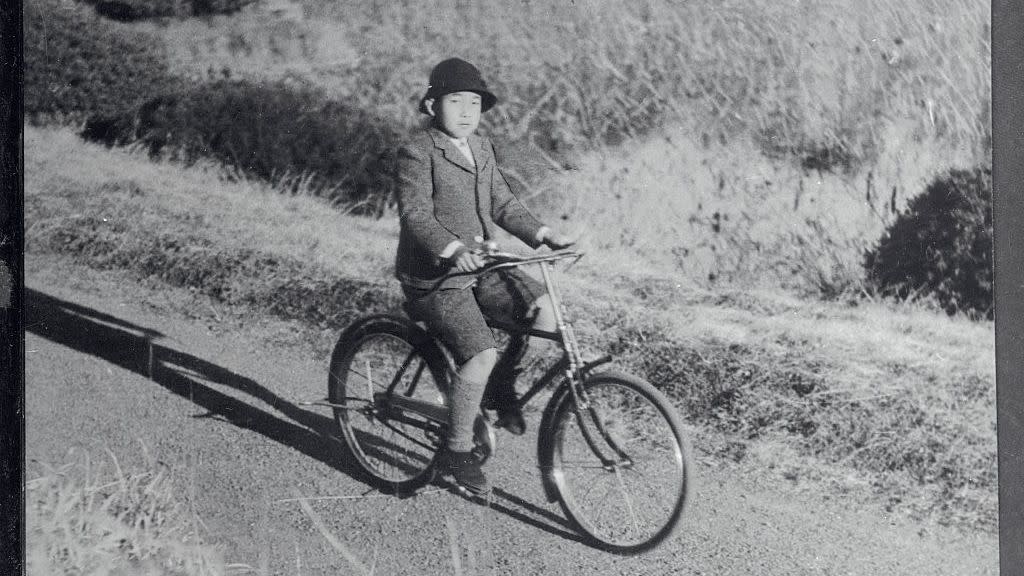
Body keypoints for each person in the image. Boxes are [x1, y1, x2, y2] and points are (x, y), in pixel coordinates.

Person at [395, 57, 574, 495]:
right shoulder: (417, 152)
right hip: (437, 278)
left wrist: (544, 234)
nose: (466, 111)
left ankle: (498, 388)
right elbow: (415, 214)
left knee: (545, 311)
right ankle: (456, 449)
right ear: (432, 105)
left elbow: (503, 203)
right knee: (480, 354)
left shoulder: (482, 148)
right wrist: (453, 250)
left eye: (474, 102)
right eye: (456, 101)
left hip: (483, 268)